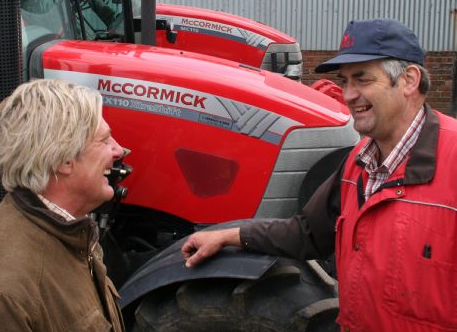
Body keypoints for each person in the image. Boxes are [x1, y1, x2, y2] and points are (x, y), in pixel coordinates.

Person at [181, 18, 457, 332]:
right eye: (345, 81)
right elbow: (308, 233)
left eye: (362, 80)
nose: (349, 94)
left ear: (408, 80)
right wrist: (229, 235)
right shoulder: (359, 162)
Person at [0, 79, 126, 331]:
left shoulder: (69, 229)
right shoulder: (1, 289)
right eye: (103, 140)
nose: (119, 150)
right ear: (64, 160)